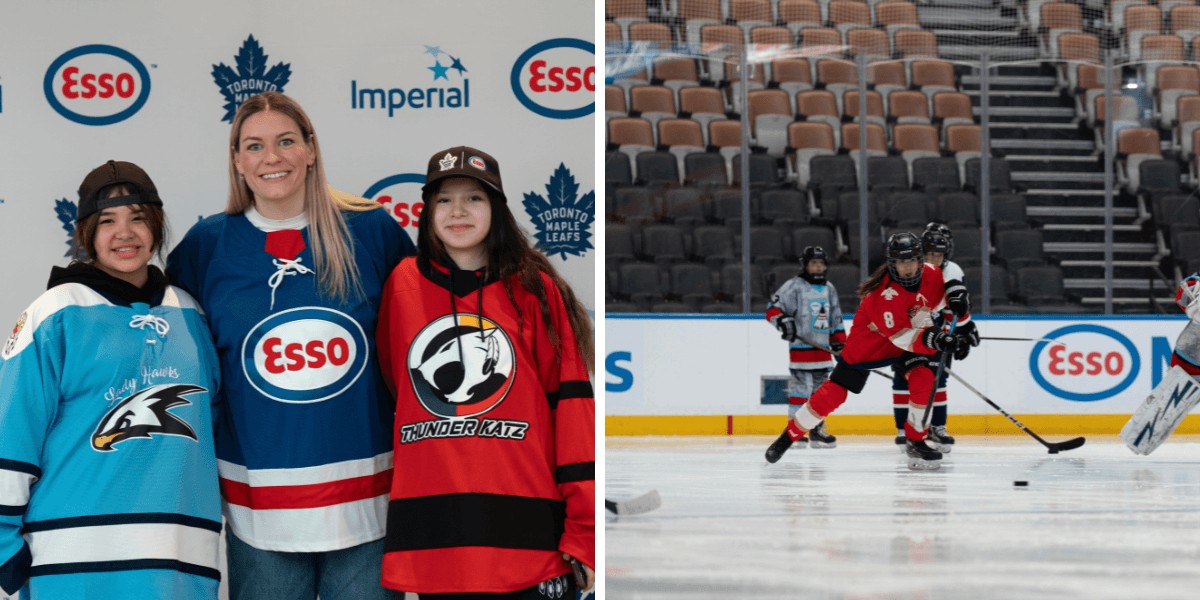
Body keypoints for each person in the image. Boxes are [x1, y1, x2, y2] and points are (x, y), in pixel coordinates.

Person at [167, 92, 414, 600]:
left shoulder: (370, 230)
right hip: (261, 512)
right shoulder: (206, 245)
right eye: (254, 146)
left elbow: (418, 338)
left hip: (368, 504)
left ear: (311, 149)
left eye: (285, 141)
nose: (271, 157)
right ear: (237, 159)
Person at [375, 146, 595, 598]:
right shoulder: (401, 284)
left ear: (496, 208)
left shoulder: (535, 289)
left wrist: (585, 531)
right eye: (443, 200)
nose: (458, 211)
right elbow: (399, 389)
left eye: (474, 198)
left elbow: (572, 411)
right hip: (435, 539)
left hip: (529, 540)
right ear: (426, 211)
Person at [0, 161, 222, 599]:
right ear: (85, 233)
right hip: (72, 567)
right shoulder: (55, 312)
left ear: (156, 227)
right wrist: (6, 550)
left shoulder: (190, 313)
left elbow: (212, 433)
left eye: (138, 217)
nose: (125, 233)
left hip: (178, 567)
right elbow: (11, 432)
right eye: (108, 221)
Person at [764, 232, 971, 470]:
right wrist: (941, 339)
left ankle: (915, 440)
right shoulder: (884, 295)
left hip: (911, 336)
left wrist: (960, 306)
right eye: (900, 262)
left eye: (911, 261)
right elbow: (904, 338)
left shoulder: (932, 274)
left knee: (923, 377)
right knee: (834, 394)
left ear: (920, 260)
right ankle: (787, 437)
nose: (907, 268)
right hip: (871, 346)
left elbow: (946, 295)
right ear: (891, 264)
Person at [888, 224, 978, 452]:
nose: (934, 259)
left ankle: (936, 427)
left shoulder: (950, 273)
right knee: (903, 381)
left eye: (939, 255)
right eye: (929, 254)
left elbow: (953, 308)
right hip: (907, 338)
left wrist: (963, 332)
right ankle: (904, 429)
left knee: (937, 382)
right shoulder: (907, 272)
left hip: (935, 337)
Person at [764, 246, 846, 448]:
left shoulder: (829, 288)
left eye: (821, 263)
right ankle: (795, 431)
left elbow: (836, 319)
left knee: (821, 395)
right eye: (813, 263)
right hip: (802, 351)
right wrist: (784, 322)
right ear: (805, 265)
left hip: (823, 352)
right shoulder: (794, 286)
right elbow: (772, 309)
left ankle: (817, 430)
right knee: (801, 391)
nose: (818, 267)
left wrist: (841, 345)